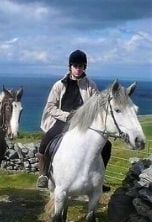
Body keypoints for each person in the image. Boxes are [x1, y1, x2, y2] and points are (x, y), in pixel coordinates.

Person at [36, 49, 110, 191]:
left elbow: (98, 105)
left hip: (84, 124)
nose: (78, 69)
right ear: (70, 66)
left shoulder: (91, 85)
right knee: (45, 142)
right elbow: (50, 107)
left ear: (84, 67)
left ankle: (100, 178)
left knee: (107, 146)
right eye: (75, 66)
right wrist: (66, 116)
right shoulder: (59, 85)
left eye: (80, 66)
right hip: (63, 122)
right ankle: (43, 175)